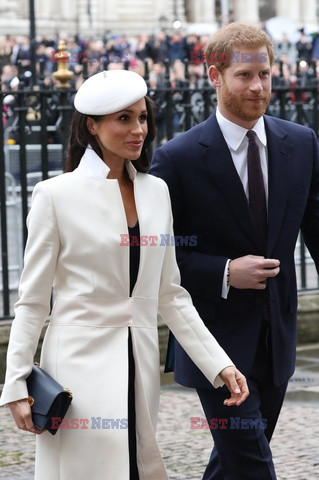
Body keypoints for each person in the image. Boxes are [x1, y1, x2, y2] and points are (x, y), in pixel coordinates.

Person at [0, 69, 249, 480]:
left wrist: (218, 364)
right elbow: (31, 301)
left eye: (143, 118)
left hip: (140, 362)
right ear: (92, 126)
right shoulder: (55, 196)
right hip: (76, 370)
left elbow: (170, 294)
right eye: (124, 119)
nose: (139, 130)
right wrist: (16, 382)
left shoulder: (157, 192)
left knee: (136, 466)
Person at [150, 22, 319, 480]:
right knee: (253, 467)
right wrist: (224, 271)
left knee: (232, 465)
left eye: (264, 74)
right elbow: (155, 259)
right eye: (244, 76)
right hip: (213, 345)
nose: (258, 86)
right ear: (214, 76)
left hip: (278, 341)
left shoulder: (301, 144)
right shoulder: (176, 159)